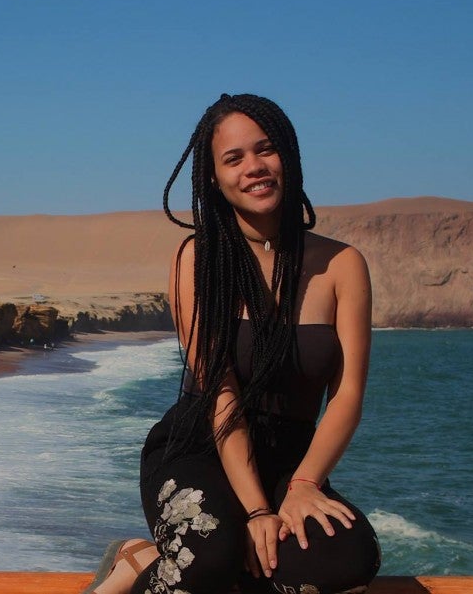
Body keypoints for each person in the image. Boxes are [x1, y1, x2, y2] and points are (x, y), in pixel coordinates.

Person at [84, 94, 381, 594]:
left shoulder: (342, 264)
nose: (254, 168)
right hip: (202, 446)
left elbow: (347, 395)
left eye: (265, 150)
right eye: (234, 158)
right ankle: (137, 563)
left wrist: (303, 486)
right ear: (215, 179)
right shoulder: (197, 260)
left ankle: (160, 559)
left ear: (288, 153)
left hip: (289, 463)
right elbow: (220, 393)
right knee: (212, 552)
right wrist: (258, 510)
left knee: (349, 559)